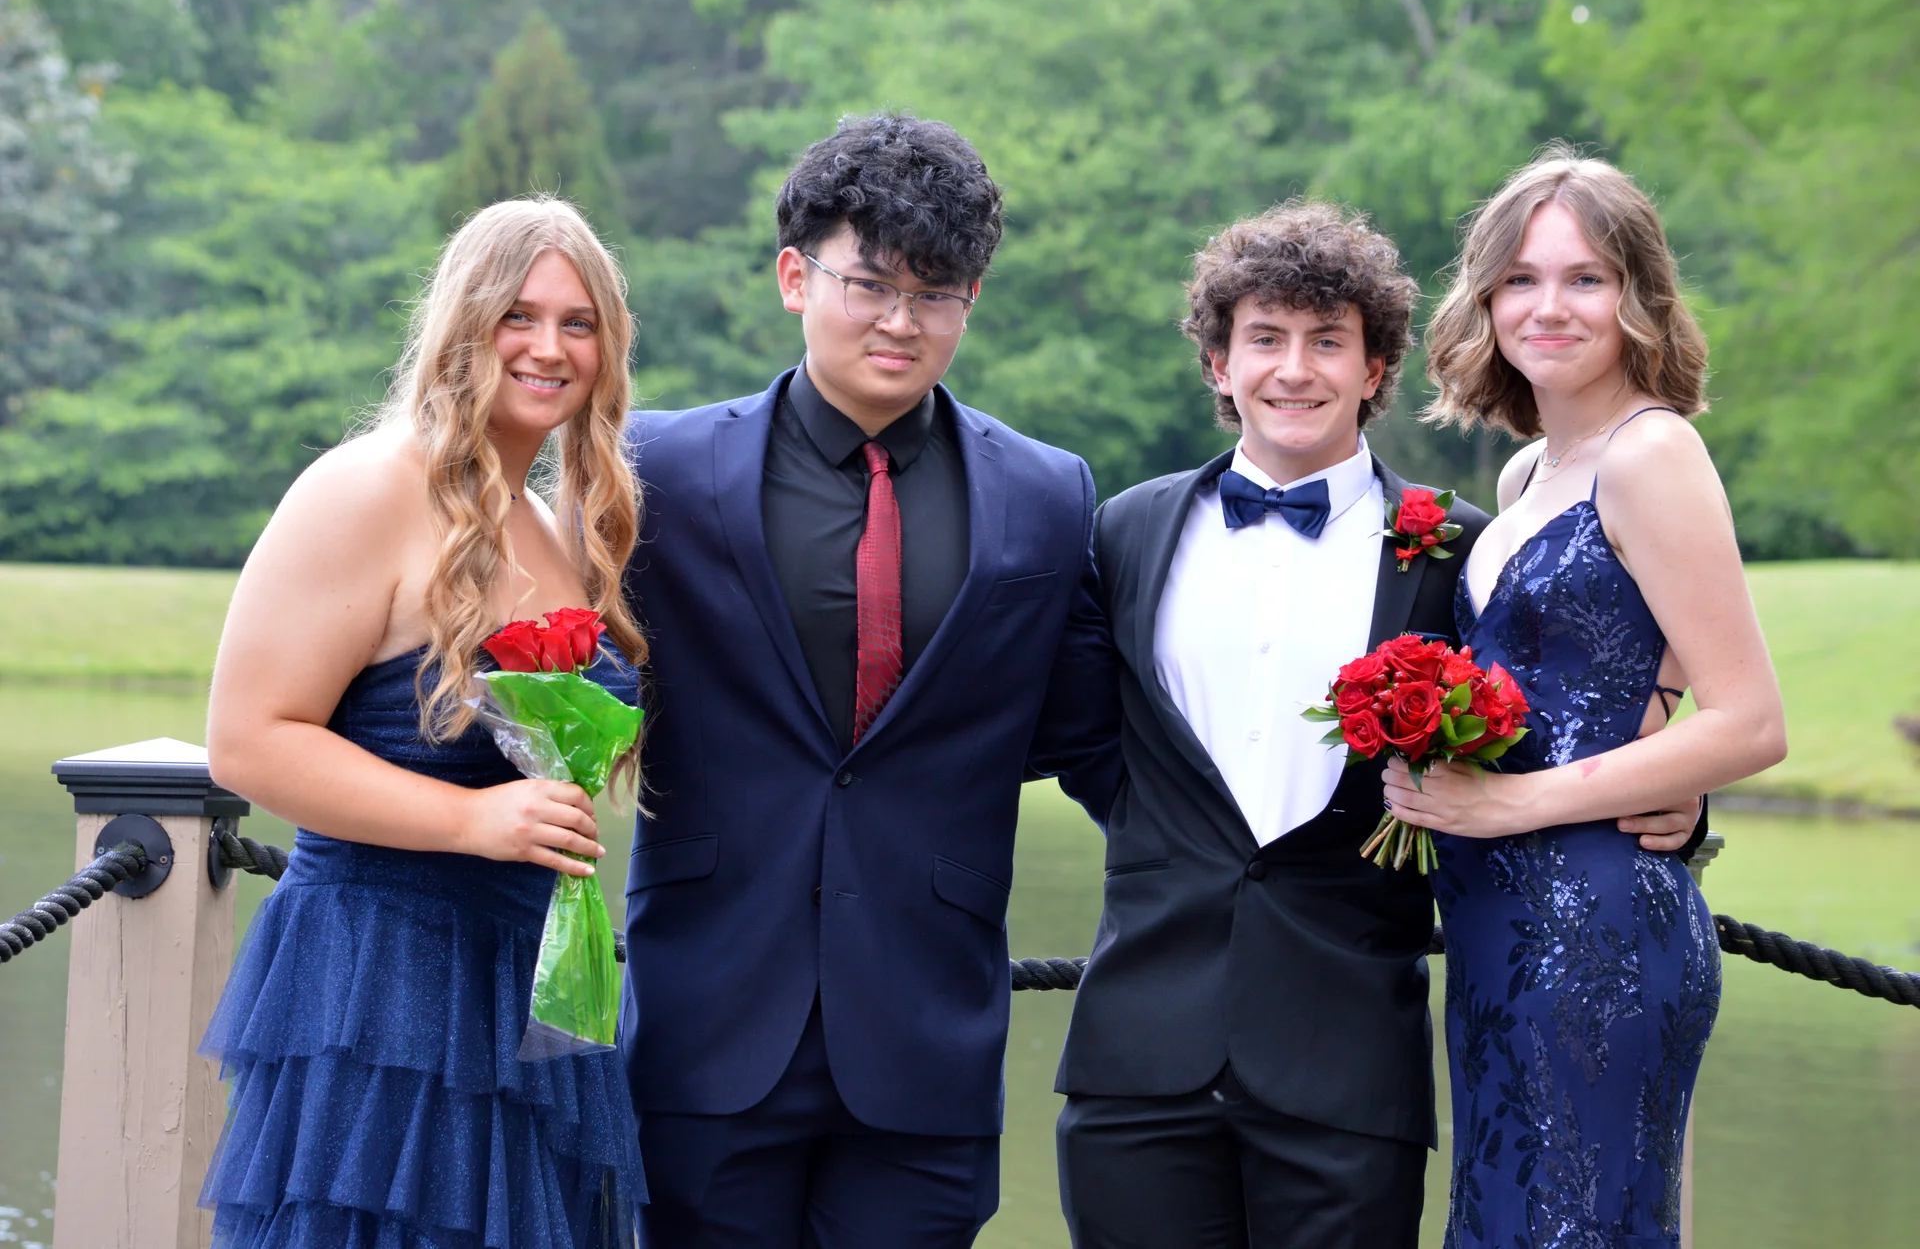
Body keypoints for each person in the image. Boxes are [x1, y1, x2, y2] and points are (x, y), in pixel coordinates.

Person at [1052, 200, 1702, 1249]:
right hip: (1137, 1058)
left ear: (1375, 368)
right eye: (1265, 338)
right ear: (1219, 362)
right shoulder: (1127, 529)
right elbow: (1090, 742)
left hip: (1349, 1065)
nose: (1293, 369)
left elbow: (1572, 685)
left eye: (1327, 341)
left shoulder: (1458, 548)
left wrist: (1679, 784)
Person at [618, 114, 1118, 1248]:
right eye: (872, 284)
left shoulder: (1048, 495)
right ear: (794, 277)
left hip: (927, 1037)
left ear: (971, 299)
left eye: (935, 292)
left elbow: (1096, 743)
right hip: (706, 1022)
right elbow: (567, 683)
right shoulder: (656, 469)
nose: (902, 320)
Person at [199, 198, 647, 1247]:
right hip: (383, 979)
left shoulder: (550, 526)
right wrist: (472, 822)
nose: (548, 347)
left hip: (529, 981)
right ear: (462, 322)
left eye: (578, 323)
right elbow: (249, 739)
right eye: (518, 315)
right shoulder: (364, 488)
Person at [1389, 149, 1788, 1247]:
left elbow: (1751, 720)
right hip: (1496, 922)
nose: (1548, 306)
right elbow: (1615, 678)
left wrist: (1508, 804)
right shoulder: (1528, 473)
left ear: (1638, 295)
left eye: (1585, 278)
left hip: (1595, 933)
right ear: (1485, 299)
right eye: (1520, 278)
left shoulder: (1654, 452)